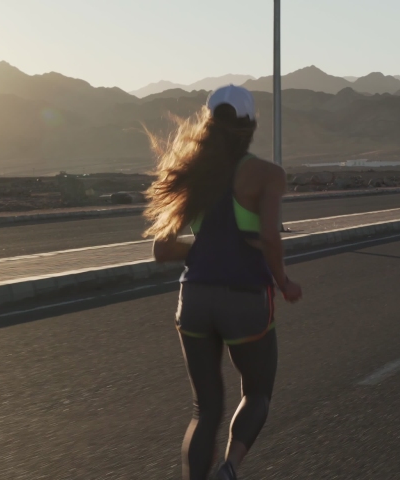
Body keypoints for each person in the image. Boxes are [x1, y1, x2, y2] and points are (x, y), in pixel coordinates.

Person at [146, 84, 302, 480]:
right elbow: (269, 238)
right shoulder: (267, 174)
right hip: (246, 297)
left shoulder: (192, 175)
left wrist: (207, 247)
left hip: (193, 298)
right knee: (257, 392)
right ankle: (229, 469)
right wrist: (284, 283)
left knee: (205, 409)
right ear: (251, 125)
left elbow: (162, 250)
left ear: (208, 124)